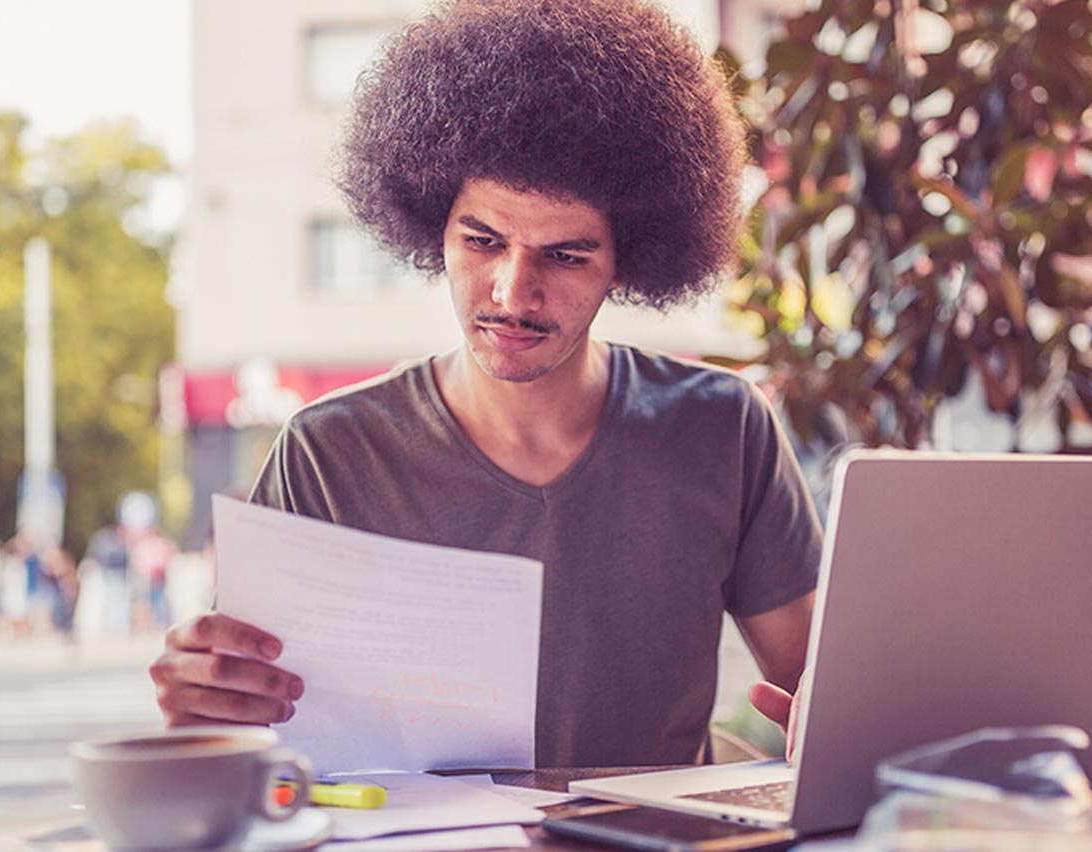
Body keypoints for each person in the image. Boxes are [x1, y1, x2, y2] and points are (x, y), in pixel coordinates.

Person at [150, 0, 821, 767]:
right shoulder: (329, 454)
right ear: (433, 226)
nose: (512, 291)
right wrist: (197, 708)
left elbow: (820, 683)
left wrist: (831, 716)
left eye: (565, 256)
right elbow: (241, 736)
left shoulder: (721, 428)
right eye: (482, 240)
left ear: (626, 261)